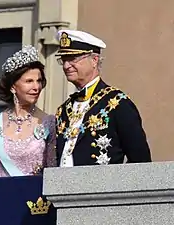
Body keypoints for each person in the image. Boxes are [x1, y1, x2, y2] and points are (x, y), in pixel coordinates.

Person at [54, 30, 151, 167]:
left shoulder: (117, 104)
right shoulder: (63, 110)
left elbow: (141, 161)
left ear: (94, 60)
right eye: (63, 60)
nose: (66, 66)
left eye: (72, 59)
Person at [0, 45, 56, 178]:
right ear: (13, 87)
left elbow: (53, 172)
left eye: (39, 81)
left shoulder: (48, 122)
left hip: (35, 197)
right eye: (29, 81)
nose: (36, 87)